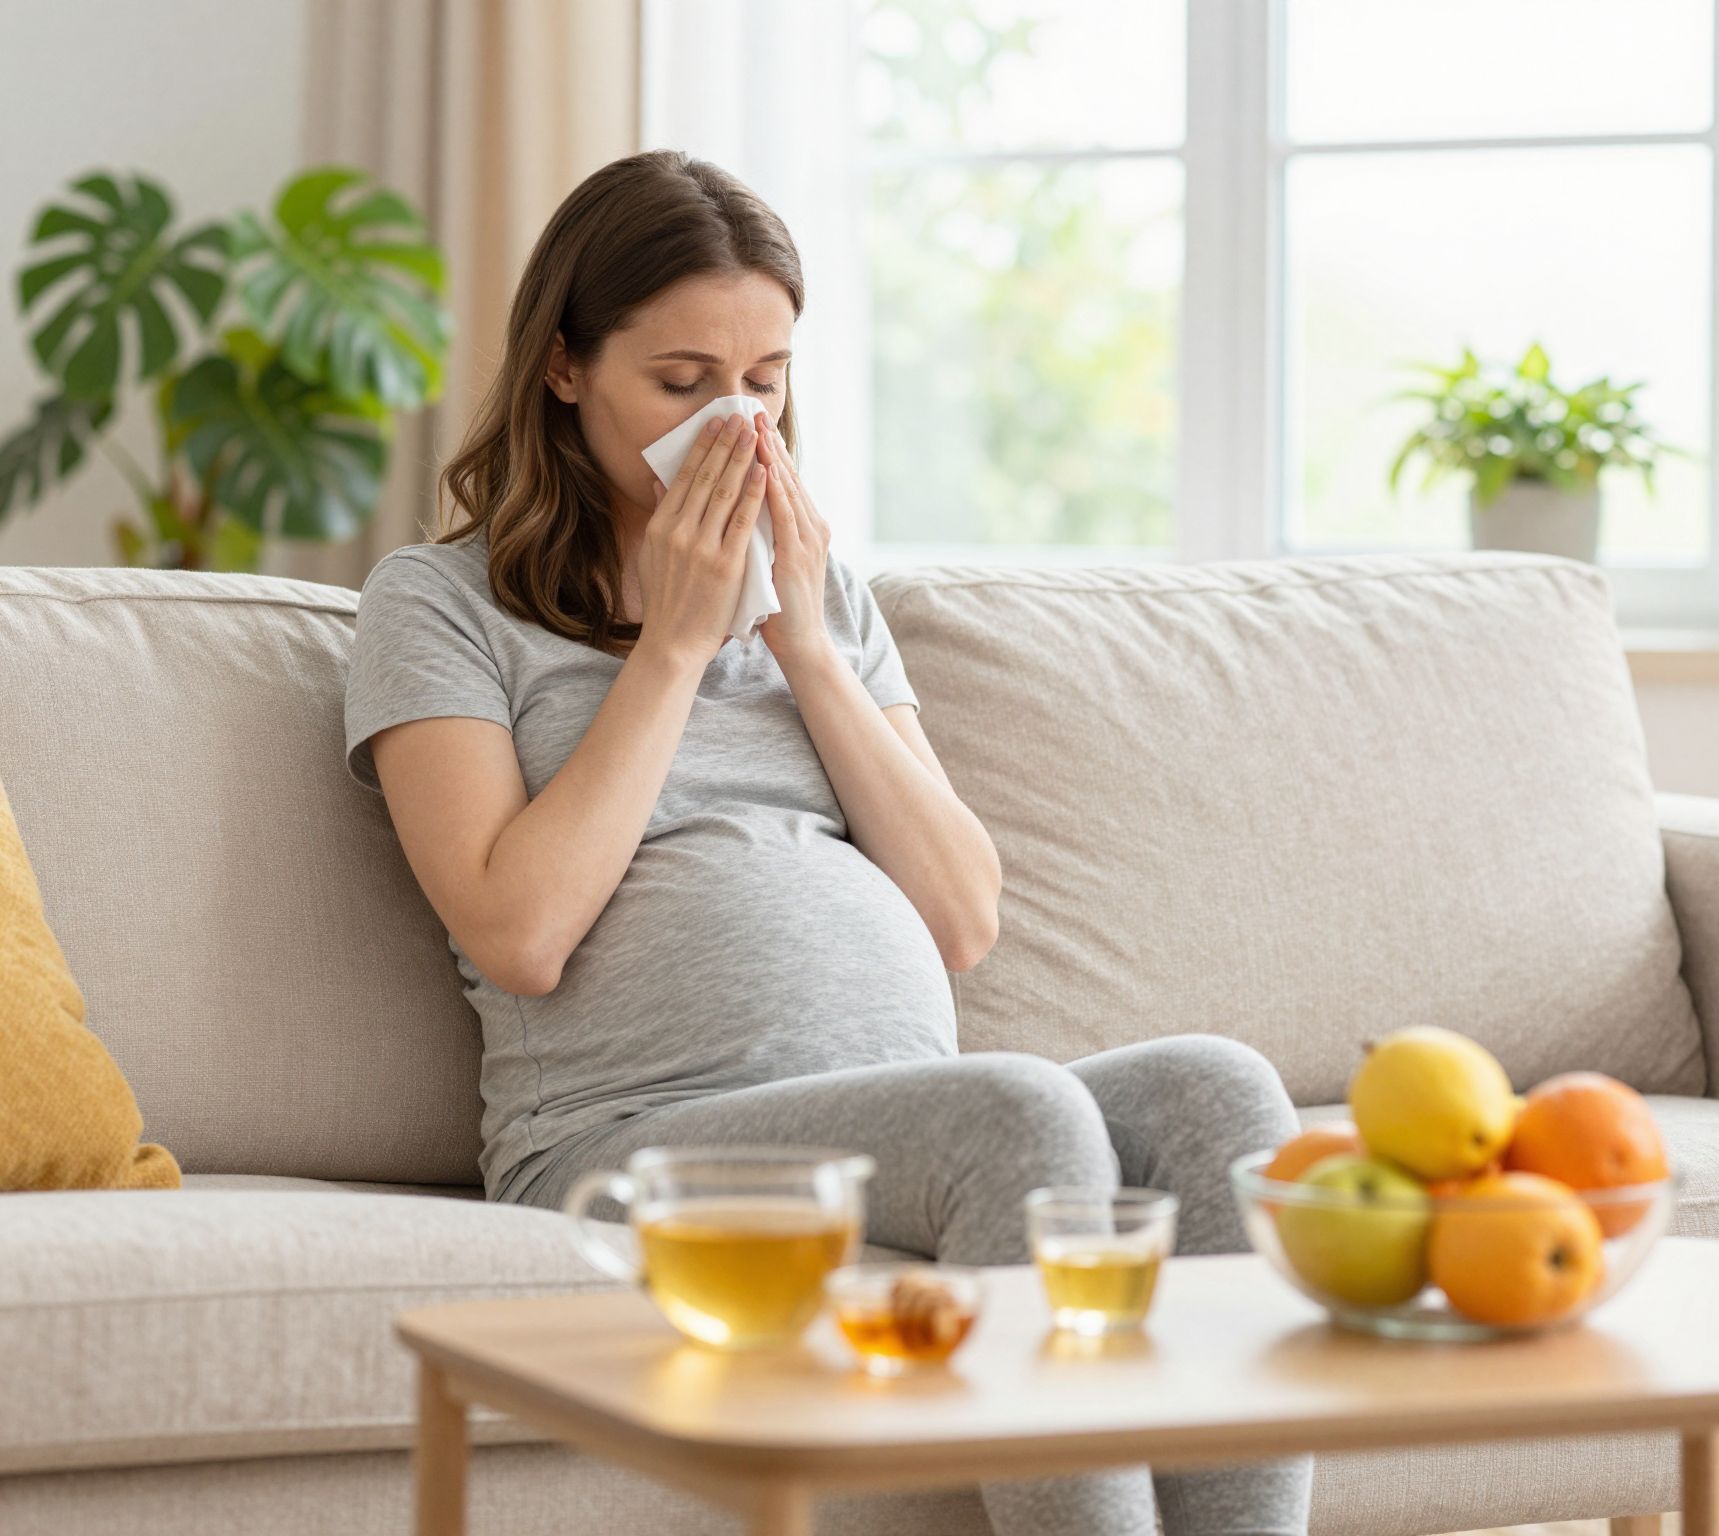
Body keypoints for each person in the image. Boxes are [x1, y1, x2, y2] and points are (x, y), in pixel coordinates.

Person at [342, 147, 1313, 1536]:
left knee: (1220, 1092)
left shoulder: (828, 601)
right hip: (623, 1144)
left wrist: (800, 641)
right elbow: (520, 933)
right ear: (564, 367)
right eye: (682, 383)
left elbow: (963, 916)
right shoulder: (439, 603)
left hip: (897, 1112)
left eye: (764, 380)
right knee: (1017, 1113)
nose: (732, 426)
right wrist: (675, 648)